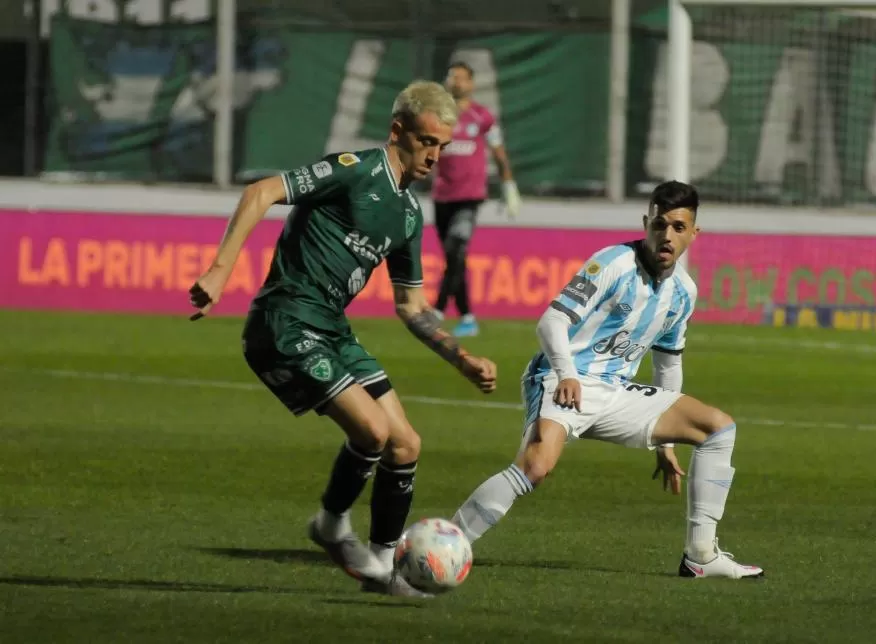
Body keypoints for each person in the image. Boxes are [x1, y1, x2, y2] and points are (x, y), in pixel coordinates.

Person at [187, 80, 499, 597]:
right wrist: (221, 271)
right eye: (427, 142)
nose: (435, 156)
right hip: (285, 322)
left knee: (406, 444)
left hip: (331, 328)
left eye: (442, 147)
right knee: (373, 433)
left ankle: (383, 568)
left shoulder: (407, 213)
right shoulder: (354, 170)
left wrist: (460, 358)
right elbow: (260, 192)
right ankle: (331, 524)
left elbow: (411, 306)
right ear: (398, 130)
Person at [451, 180, 763, 580]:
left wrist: (666, 444)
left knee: (718, 429)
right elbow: (553, 320)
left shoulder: (684, 292)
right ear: (646, 222)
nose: (667, 236)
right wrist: (566, 373)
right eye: (660, 225)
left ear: (693, 233)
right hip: (563, 378)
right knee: (536, 467)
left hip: (615, 392)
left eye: (679, 228)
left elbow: (667, 365)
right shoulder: (613, 263)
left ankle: (700, 555)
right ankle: (448, 542)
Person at [430, 61, 521, 338]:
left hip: (469, 198)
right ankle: (468, 317)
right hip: (442, 195)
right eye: (451, 76)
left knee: (457, 248)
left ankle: (437, 311)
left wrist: (508, 185)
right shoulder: (438, 116)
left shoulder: (482, 117)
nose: (455, 81)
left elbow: (498, 151)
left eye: (460, 77)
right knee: (453, 258)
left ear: (471, 84)